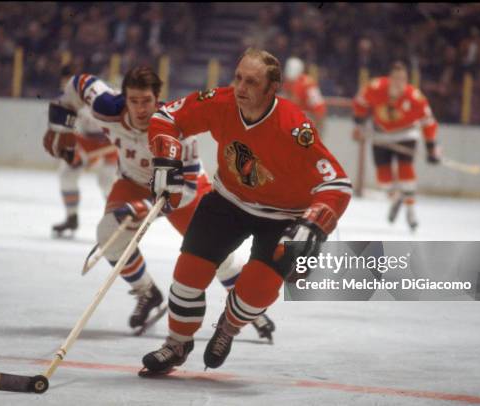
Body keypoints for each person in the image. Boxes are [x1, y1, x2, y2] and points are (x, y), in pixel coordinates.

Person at [141, 48, 351, 374]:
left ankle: (228, 325)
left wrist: (313, 225)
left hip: (283, 216)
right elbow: (166, 116)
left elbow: (337, 183)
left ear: (272, 89)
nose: (240, 88)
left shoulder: (294, 129)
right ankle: (176, 343)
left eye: (251, 82)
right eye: (238, 77)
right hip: (228, 200)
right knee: (186, 277)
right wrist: (167, 156)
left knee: (256, 292)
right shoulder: (221, 102)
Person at [43, 66, 276, 338]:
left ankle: (250, 310)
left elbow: (185, 190)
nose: (140, 110)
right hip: (133, 181)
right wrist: (61, 128)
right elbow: (76, 84)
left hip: (183, 191)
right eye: (133, 101)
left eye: (147, 102)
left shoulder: (177, 126)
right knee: (108, 235)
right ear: (124, 98)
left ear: (158, 99)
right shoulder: (106, 106)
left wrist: (144, 209)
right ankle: (147, 293)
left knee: (218, 257)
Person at [352, 61, 441, 230]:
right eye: (396, 78)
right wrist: (359, 124)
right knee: (383, 180)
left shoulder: (415, 97)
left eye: (403, 79)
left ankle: (410, 209)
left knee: (405, 172)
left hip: (405, 134)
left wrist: (431, 147)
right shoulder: (375, 87)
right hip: (381, 134)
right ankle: (396, 198)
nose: (399, 83)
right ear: (389, 79)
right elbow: (360, 103)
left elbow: (428, 122)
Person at [46, 67, 118, 238]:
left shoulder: (103, 95)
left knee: (107, 181)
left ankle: (116, 220)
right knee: (67, 174)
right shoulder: (63, 103)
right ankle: (72, 217)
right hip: (86, 142)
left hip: (111, 141)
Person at [282, 56, 327, 133]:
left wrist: (317, 133)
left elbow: (319, 108)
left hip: (308, 121)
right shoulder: (287, 83)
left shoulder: (309, 85)